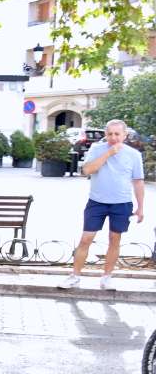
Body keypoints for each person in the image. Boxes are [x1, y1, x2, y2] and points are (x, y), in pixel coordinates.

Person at [58, 119, 144, 291]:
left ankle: (107, 277)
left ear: (124, 135)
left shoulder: (134, 155)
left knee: (114, 239)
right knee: (86, 239)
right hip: (96, 202)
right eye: (110, 134)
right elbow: (87, 171)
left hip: (121, 203)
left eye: (117, 134)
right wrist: (109, 153)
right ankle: (75, 276)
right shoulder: (97, 149)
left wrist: (140, 207)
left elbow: (138, 181)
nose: (113, 137)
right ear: (105, 134)